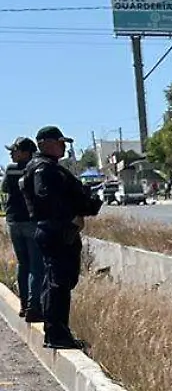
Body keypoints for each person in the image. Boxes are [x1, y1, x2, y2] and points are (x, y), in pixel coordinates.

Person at [22, 125, 97, 349]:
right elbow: (47, 200)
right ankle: (57, 335)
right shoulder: (43, 169)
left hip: (56, 231)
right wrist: (70, 217)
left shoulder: (47, 167)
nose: (63, 147)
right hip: (57, 232)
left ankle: (57, 332)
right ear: (45, 143)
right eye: (59, 142)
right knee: (58, 284)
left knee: (58, 282)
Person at [3, 137, 43, 321]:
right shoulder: (36, 167)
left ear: (25, 151)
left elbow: (5, 189)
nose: (11, 153)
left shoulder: (11, 170)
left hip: (13, 221)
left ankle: (24, 304)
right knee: (36, 265)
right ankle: (33, 307)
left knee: (23, 264)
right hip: (31, 221)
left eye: (14, 150)